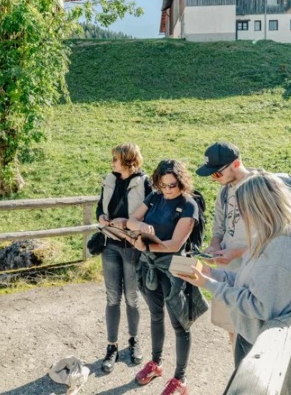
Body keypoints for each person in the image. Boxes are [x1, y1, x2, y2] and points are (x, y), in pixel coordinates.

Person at [178, 170, 291, 387]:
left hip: (273, 353)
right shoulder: (272, 235)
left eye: (244, 210)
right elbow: (251, 280)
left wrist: (208, 284)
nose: (243, 217)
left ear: (260, 208)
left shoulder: (283, 252)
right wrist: (214, 274)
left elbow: (259, 306)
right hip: (253, 337)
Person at [112, 159, 198, 395]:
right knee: (156, 315)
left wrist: (144, 245)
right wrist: (139, 226)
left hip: (175, 268)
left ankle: (180, 379)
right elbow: (131, 219)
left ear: (181, 182)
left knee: (180, 325)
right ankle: (156, 364)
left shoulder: (189, 205)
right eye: (164, 185)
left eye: (173, 185)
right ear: (158, 183)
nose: (169, 190)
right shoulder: (155, 197)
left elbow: (175, 244)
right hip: (150, 266)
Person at [95, 143, 152, 373]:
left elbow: (150, 212)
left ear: (128, 160)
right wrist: (100, 216)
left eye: (116, 159)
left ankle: (134, 340)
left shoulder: (144, 183)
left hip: (131, 246)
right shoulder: (109, 179)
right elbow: (101, 205)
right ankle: (111, 347)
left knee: (131, 297)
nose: (112, 163)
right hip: (110, 243)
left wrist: (131, 227)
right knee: (112, 297)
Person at [194, 142, 251, 348]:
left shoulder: (258, 189)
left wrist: (236, 252)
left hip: (253, 271)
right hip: (227, 270)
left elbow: (272, 237)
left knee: (252, 331)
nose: (214, 179)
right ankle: (239, 372)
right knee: (232, 328)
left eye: (217, 174)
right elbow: (219, 228)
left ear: (236, 164)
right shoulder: (225, 192)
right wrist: (214, 246)